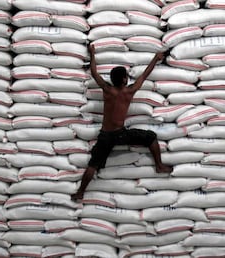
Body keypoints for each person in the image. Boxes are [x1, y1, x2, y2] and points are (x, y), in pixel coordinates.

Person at [71, 44, 173, 202]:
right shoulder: (129, 91)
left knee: (93, 164)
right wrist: (155, 58)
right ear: (125, 79)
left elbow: (94, 73)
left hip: (105, 135)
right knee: (151, 137)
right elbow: (144, 76)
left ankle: (81, 192)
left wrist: (92, 53)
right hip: (120, 134)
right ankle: (159, 165)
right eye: (126, 76)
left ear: (112, 80)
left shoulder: (106, 89)